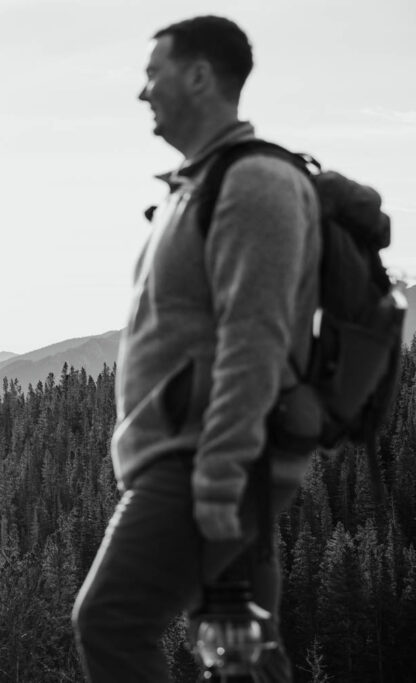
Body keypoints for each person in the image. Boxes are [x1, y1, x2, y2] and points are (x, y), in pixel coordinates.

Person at [71, 16, 320, 682]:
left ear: (200, 76)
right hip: (213, 460)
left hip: (206, 462)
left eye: (154, 73)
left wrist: (220, 472)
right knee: (239, 656)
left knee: (110, 621)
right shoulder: (198, 186)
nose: (142, 92)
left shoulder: (254, 183)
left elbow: (255, 334)